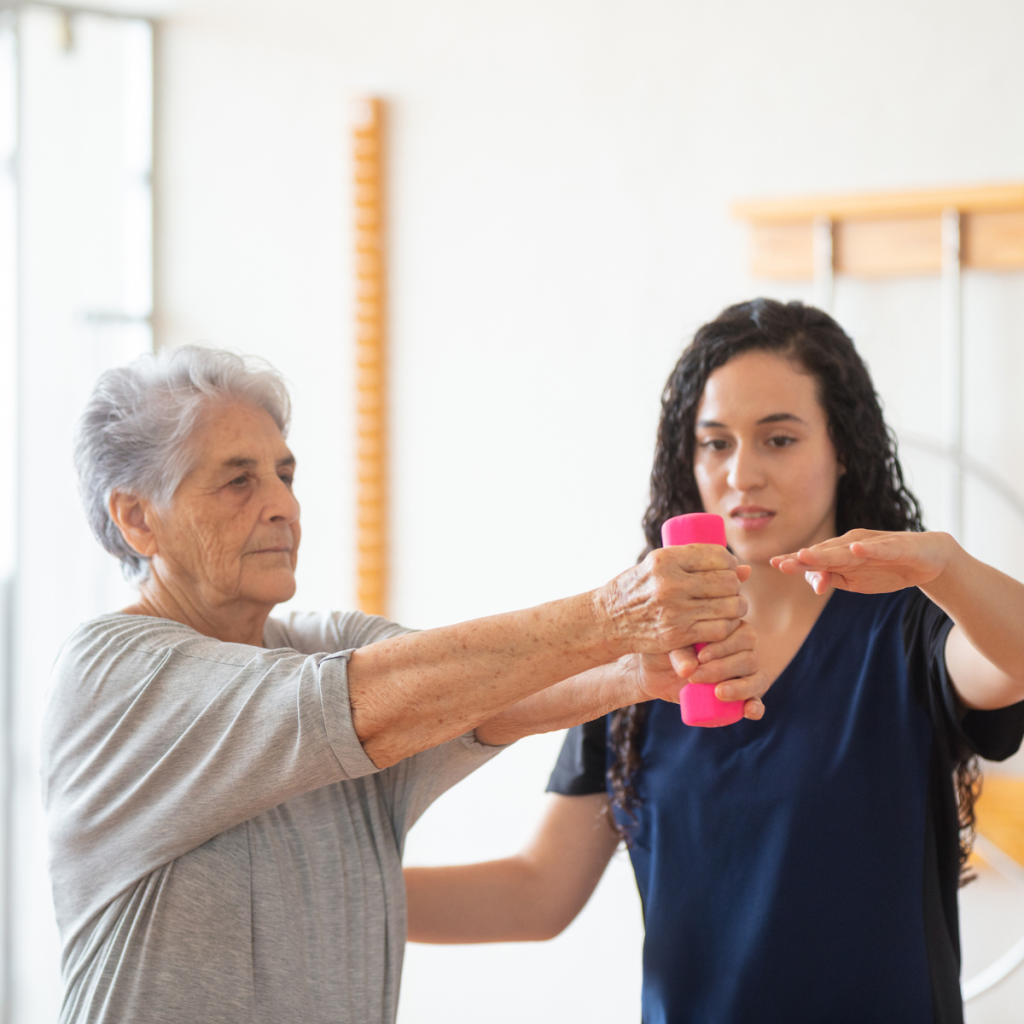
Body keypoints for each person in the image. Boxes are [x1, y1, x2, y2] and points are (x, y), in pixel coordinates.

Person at [43, 345, 770, 1024]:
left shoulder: (326, 644)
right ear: (137, 518)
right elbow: (358, 704)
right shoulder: (111, 674)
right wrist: (612, 617)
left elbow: (470, 698)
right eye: (239, 480)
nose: (284, 506)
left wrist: (634, 672)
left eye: (285, 476)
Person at [404, 299, 1024, 1024]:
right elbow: (537, 892)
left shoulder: (911, 630)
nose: (741, 474)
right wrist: (335, 891)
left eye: (779, 439)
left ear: (843, 448)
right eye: (715, 443)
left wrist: (946, 566)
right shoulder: (640, 663)